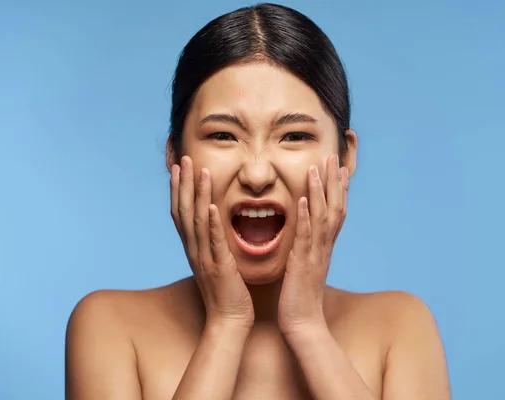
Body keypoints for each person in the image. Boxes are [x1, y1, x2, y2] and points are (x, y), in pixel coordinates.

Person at [65, 3, 451, 399]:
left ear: (345, 158)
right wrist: (226, 323)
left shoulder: (401, 327)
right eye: (223, 136)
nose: (257, 174)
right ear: (174, 154)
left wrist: (306, 325)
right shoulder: (109, 326)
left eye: (294, 136)